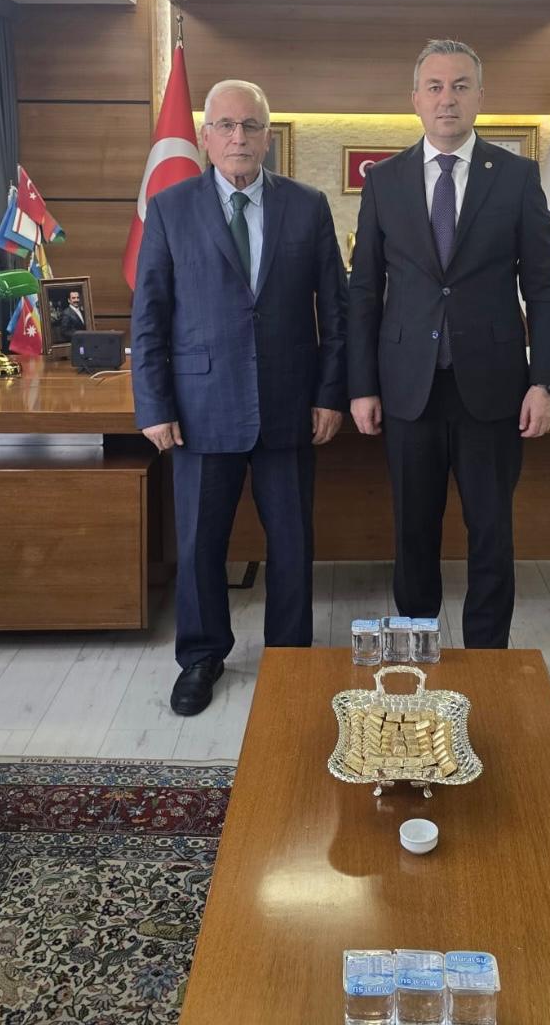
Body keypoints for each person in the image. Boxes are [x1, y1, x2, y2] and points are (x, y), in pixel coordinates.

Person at [132, 79, 348, 714]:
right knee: (200, 544)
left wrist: (330, 393)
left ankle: (289, 657)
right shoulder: (170, 209)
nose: (238, 137)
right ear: (204, 137)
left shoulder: (307, 206)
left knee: (292, 543)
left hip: (289, 404)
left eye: (250, 125)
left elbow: (336, 314)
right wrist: (154, 405)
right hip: (200, 408)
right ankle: (201, 657)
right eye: (225, 125)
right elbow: (149, 316)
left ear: (267, 136)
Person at [348, 39, 550, 648]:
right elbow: (363, 290)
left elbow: (543, 287)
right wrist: (361, 385)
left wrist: (545, 381)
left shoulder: (517, 177)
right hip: (407, 388)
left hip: (493, 388)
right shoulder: (384, 180)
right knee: (413, 531)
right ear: (415, 99)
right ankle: (416, 651)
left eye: (461, 86)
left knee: (491, 532)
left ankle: (489, 658)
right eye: (436, 87)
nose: (448, 99)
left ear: (480, 97)